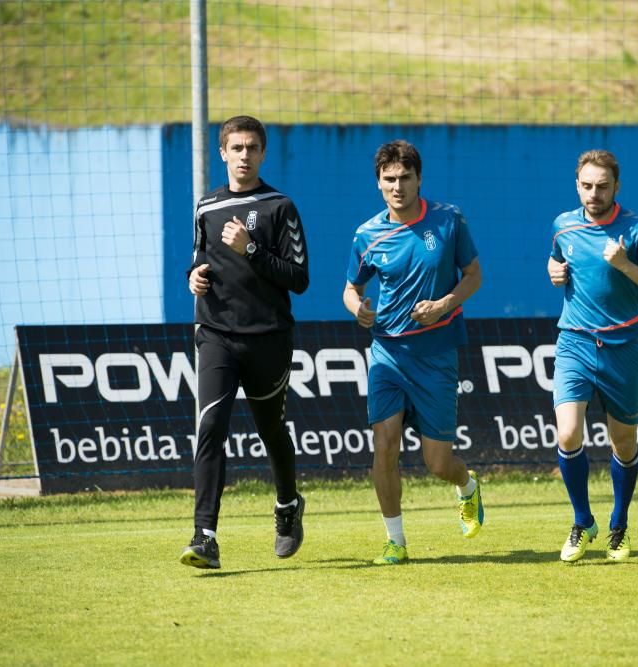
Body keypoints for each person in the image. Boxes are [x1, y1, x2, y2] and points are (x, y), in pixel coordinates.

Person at [343, 140, 484, 565]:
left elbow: (474, 276)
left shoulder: (448, 220)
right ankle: (395, 541)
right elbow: (352, 288)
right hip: (386, 353)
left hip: (437, 355)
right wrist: (359, 310)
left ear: (419, 179)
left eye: (406, 178)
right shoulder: (366, 234)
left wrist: (443, 304)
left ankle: (467, 486)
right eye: (390, 179)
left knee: (437, 463)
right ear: (378, 184)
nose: (398, 186)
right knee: (384, 444)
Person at [180, 115, 310, 569]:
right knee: (210, 429)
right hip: (215, 334)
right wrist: (193, 276)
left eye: (252, 147)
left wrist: (250, 249)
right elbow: (199, 257)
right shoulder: (206, 207)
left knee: (271, 432)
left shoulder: (280, 206)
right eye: (236, 148)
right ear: (222, 153)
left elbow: (299, 278)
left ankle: (288, 505)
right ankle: (204, 537)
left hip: (268, 339)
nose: (244, 155)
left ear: (262, 153)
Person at [547, 149, 638, 563]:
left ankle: (618, 524)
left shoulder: (637, 230)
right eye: (586, 185)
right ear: (577, 184)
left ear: (616, 187)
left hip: (621, 348)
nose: (594, 193)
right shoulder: (562, 226)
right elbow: (557, 261)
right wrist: (553, 271)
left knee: (623, 443)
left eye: (602, 186)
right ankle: (583, 522)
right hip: (574, 343)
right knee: (568, 434)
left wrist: (626, 266)